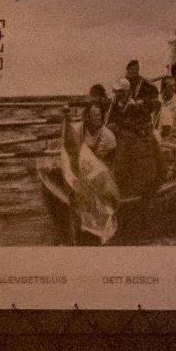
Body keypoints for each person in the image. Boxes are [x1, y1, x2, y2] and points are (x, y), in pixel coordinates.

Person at [57, 103, 120, 245]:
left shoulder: (108, 136)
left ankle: (98, 227)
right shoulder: (81, 132)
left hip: (101, 171)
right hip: (85, 168)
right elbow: (73, 149)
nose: (97, 118)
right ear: (88, 118)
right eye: (94, 116)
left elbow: (113, 161)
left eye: (99, 115)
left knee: (100, 197)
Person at [109, 59, 165, 197]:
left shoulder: (135, 106)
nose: (114, 93)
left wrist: (122, 128)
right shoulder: (116, 104)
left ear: (124, 92)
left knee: (125, 159)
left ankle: (122, 185)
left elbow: (142, 123)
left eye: (117, 91)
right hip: (125, 135)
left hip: (136, 137)